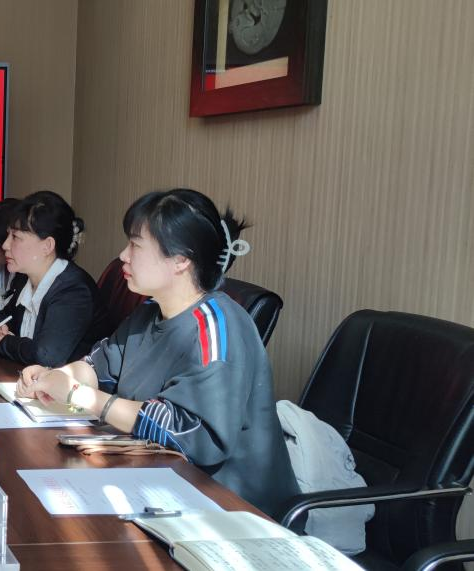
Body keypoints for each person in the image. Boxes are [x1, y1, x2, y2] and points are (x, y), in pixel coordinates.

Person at [16, 188, 299, 517]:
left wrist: (82, 396)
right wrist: (55, 377)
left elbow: (187, 431)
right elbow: (97, 365)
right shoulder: (150, 312)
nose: (123, 255)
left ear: (181, 260)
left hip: (228, 507)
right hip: (160, 482)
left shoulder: (217, 328)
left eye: (135, 245)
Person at [0, 191, 105, 367]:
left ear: (47, 246)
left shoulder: (73, 290)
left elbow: (46, 356)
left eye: (15, 237)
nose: (5, 245)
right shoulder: (26, 278)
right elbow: (5, 316)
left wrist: (4, 343)